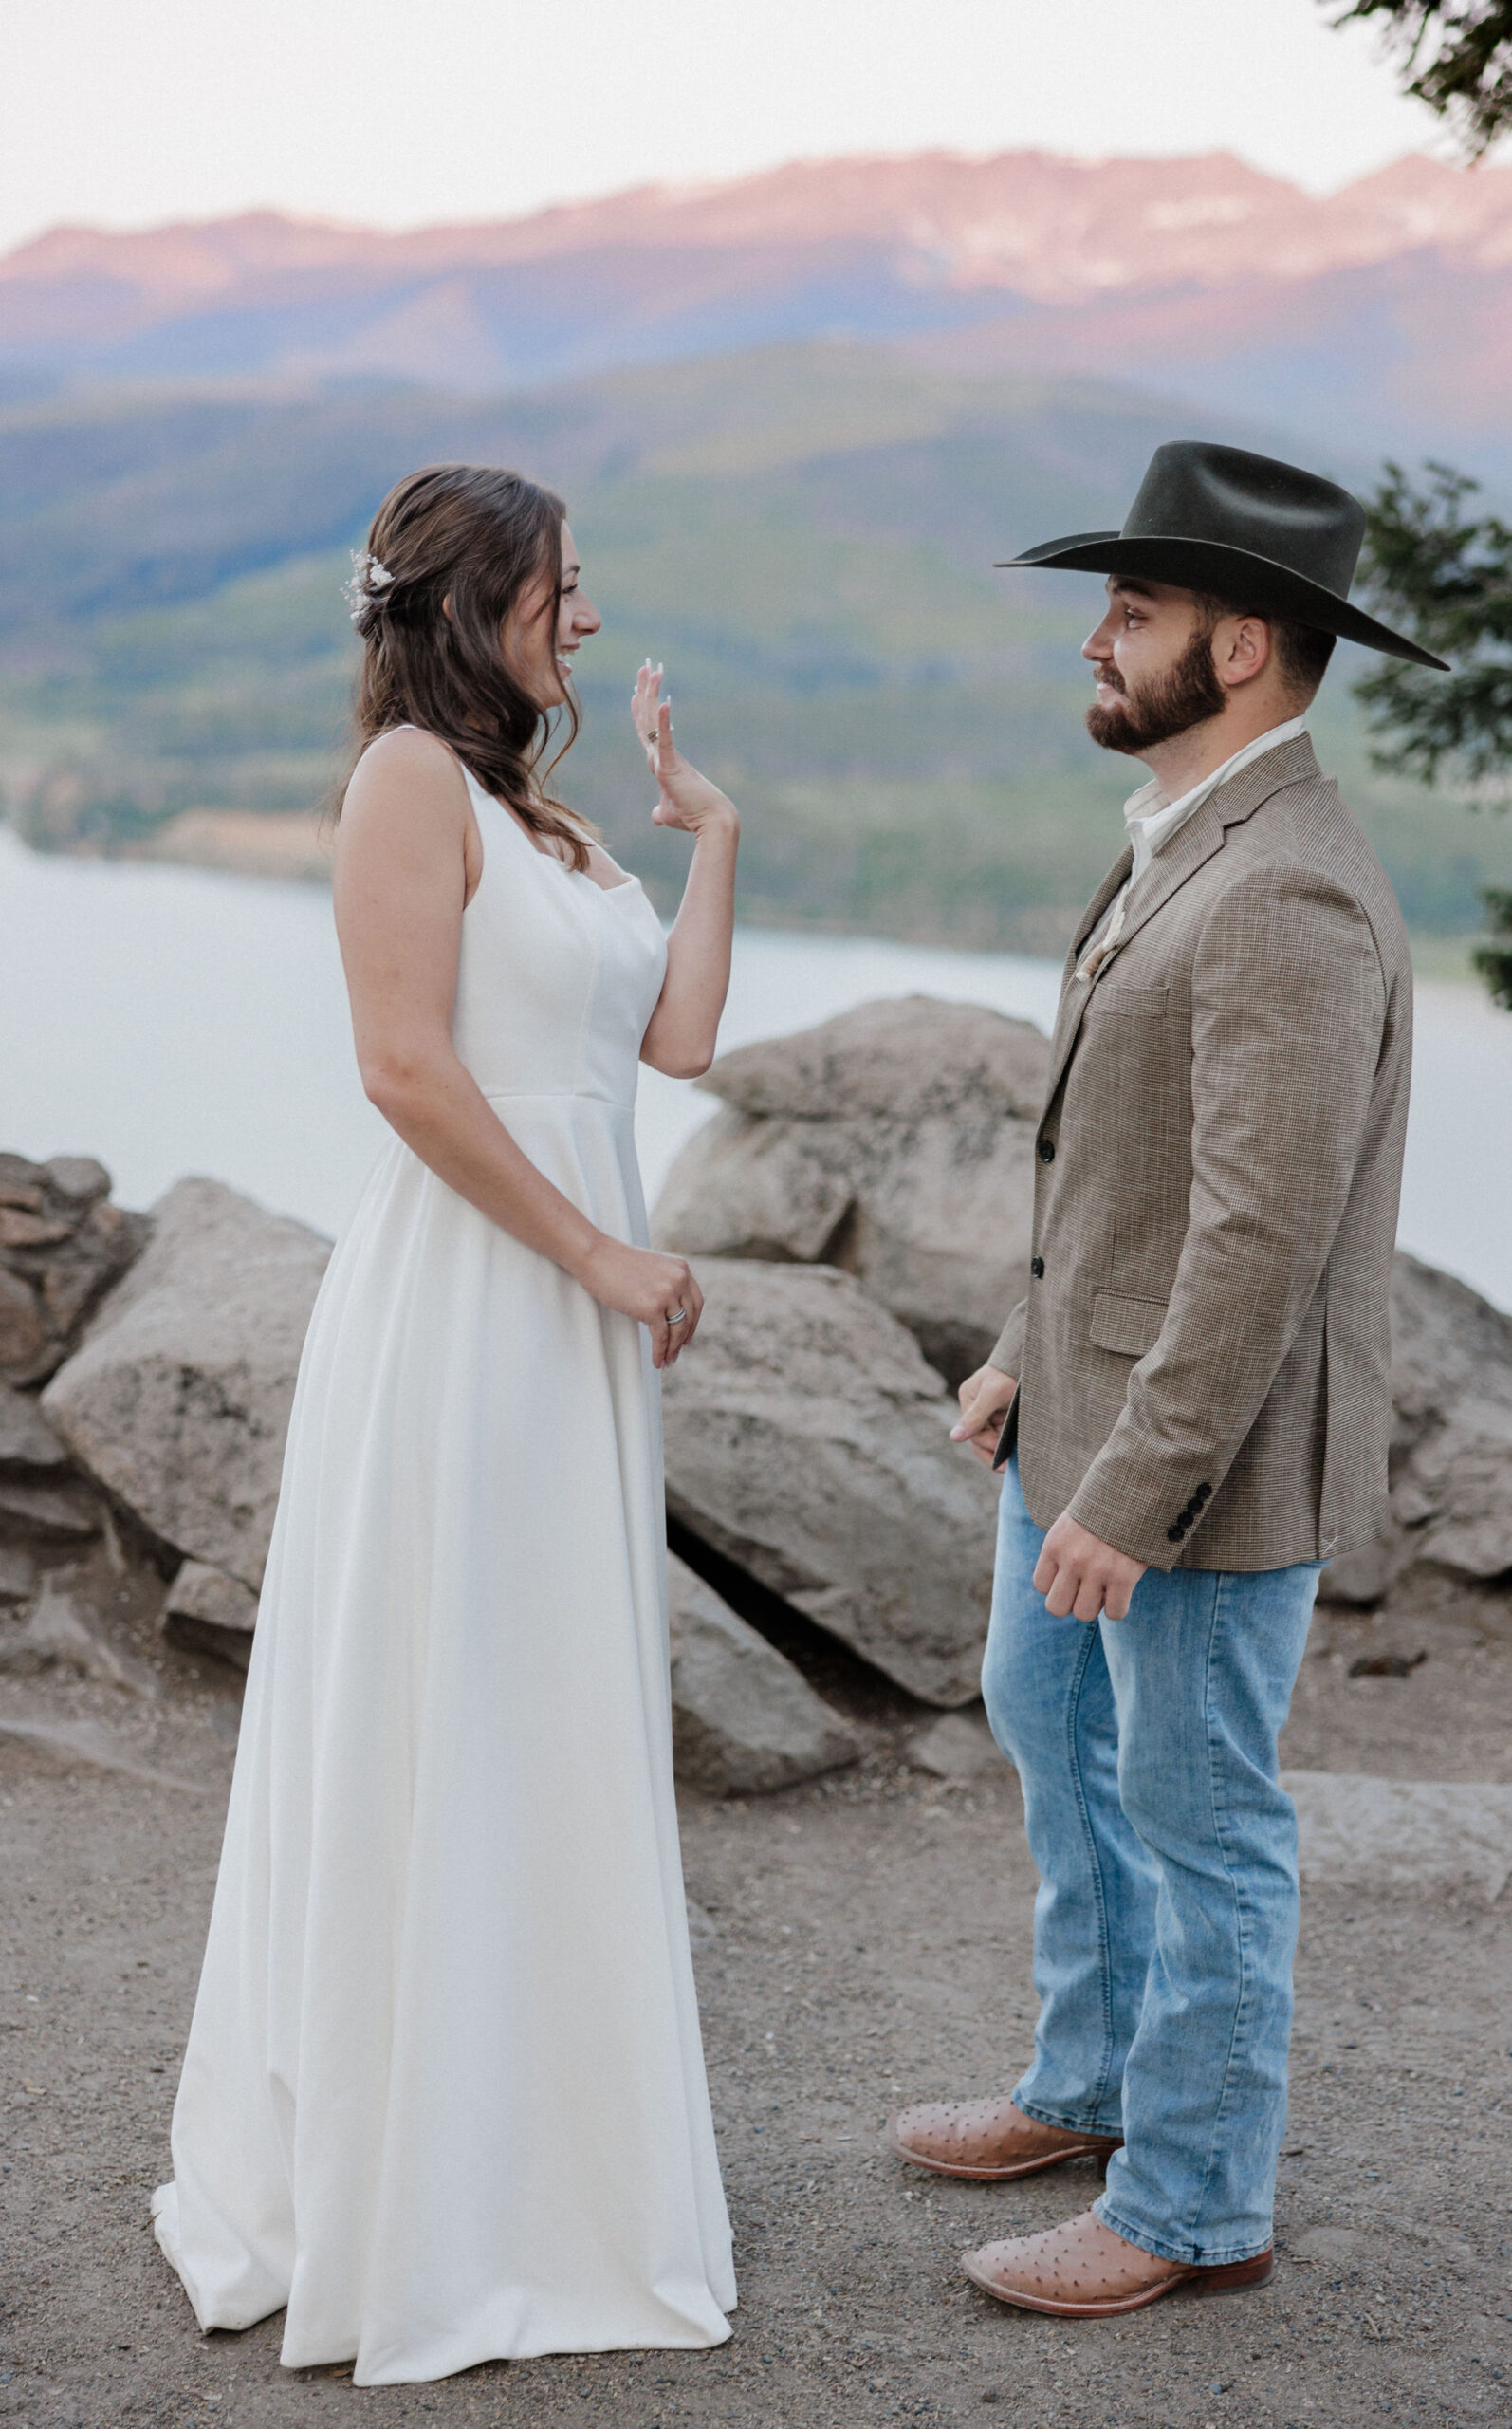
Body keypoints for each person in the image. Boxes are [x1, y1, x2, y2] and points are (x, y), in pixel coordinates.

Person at [152, 463, 741, 2382]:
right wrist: (594, 1251)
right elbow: (403, 1065)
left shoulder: (541, 818)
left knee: (553, 1717)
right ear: (481, 597)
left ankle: (541, 2173)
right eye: (561, 584)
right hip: (477, 1303)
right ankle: (416, 2188)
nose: (582, 614)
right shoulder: (407, 781)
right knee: (452, 1702)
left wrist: (709, 834)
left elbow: (671, 1044)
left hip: (570, 1317)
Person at [885, 442, 1447, 2318]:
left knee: (1200, 1813)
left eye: (1130, 611)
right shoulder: (1186, 840)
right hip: (1083, 1411)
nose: (1094, 644)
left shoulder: (1284, 888)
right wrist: (1019, 1366)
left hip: (1193, 1470)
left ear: (1242, 646)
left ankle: (1193, 2200)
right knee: (1046, 1723)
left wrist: (1131, 1487)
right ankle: (1091, 2084)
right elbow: (1121, 1174)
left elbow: (1252, 1238)